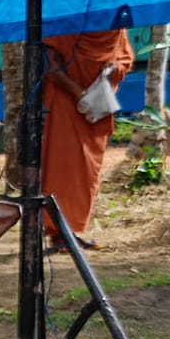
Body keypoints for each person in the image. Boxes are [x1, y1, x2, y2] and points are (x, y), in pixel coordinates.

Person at [40, 29, 134, 250]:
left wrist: (112, 71)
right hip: (64, 101)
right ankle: (59, 231)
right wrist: (77, 93)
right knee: (63, 169)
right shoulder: (65, 22)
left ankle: (71, 230)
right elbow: (50, 67)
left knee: (88, 171)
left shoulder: (115, 26)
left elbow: (124, 59)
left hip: (97, 102)